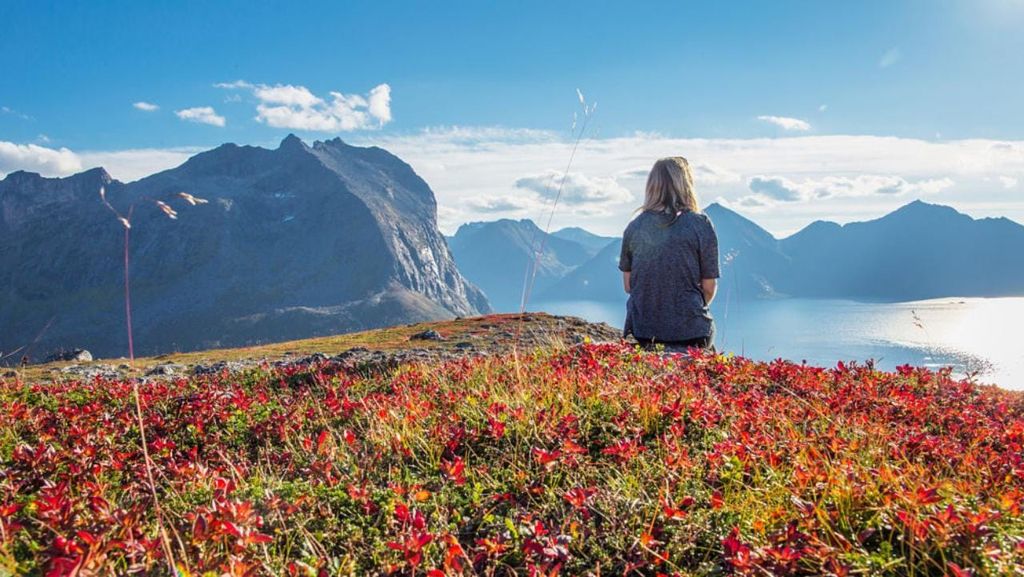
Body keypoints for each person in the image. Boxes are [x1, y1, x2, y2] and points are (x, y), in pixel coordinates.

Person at [618, 157, 720, 352]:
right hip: (693, 332)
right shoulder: (700, 224)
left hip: (644, 332)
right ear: (686, 184)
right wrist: (684, 310)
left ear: (651, 185)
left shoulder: (634, 226)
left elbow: (629, 286)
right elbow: (709, 286)